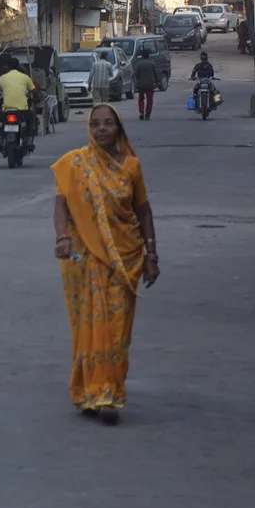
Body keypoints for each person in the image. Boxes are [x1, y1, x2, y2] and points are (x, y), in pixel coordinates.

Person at [52, 105, 158, 423]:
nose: (101, 129)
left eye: (108, 123)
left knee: (117, 328)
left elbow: (143, 212)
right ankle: (91, 392)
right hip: (86, 258)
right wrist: (62, 237)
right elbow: (61, 205)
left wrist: (152, 255)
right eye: (96, 124)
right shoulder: (75, 164)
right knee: (88, 325)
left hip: (126, 258)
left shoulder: (132, 166)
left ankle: (110, 391)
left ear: (119, 128)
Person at [0, 58, 37, 135]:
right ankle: (29, 135)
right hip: (22, 110)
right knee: (31, 116)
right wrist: (37, 98)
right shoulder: (25, 77)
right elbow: (34, 91)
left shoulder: (2, 78)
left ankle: (1, 135)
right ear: (18, 66)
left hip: (6, 110)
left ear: (8, 67)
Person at [133, 49, 160, 121]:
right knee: (149, 100)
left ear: (142, 56)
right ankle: (147, 115)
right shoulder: (152, 63)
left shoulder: (138, 64)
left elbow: (136, 74)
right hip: (150, 84)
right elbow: (156, 74)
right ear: (148, 55)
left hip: (140, 84)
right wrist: (157, 82)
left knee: (141, 99)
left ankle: (141, 112)